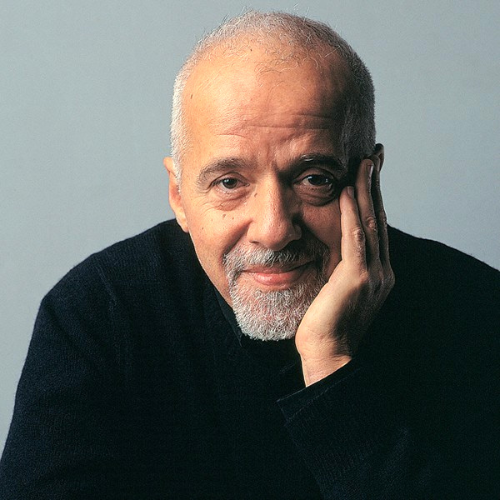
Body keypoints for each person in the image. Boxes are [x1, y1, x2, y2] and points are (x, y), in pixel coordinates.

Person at [1, 11, 499, 499]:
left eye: (314, 179)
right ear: (179, 195)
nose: (274, 230)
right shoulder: (98, 315)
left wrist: (330, 364)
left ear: (370, 179)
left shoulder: (475, 310)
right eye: (229, 183)